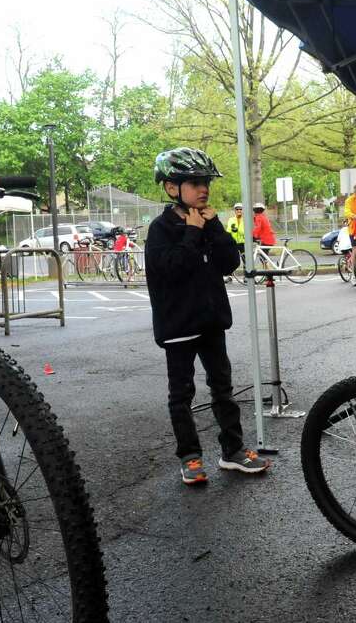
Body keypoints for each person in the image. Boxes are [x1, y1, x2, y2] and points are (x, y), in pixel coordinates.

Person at [144, 148, 271, 484]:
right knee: (181, 395)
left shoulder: (208, 221)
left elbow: (229, 261)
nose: (204, 189)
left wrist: (212, 225)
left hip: (212, 322)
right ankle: (190, 457)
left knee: (223, 390)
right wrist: (193, 231)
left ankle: (233, 451)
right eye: (196, 183)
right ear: (173, 188)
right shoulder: (161, 229)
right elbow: (173, 269)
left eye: (206, 183)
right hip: (178, 327)